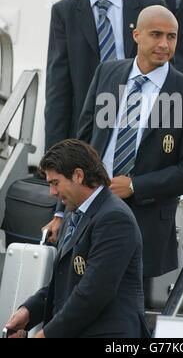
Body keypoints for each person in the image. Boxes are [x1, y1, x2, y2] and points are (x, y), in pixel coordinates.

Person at [77, 5, 183, 282]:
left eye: (171, 37)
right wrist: (62, 209)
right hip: (90, 212)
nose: (164, 44)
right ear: (137, 35)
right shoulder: (107, 73)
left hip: (145, 223)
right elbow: (81, 144)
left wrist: (135, 186)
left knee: (125, 310)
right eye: (156, 34)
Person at [5, 140, 148, 339]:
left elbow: (93, 293)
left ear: (78, 175)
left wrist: (44, 336)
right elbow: (65, 284)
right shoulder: (74, 215)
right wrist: (29, 311)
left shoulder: (115, 218)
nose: (52, 193)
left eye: (55, 183)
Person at [45, 0, 165, 151]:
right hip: (86, 130)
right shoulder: (65, 13)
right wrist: (53, 152)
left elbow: (164, 69)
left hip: (140, 120)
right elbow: (58, 87)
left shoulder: (150, 7)